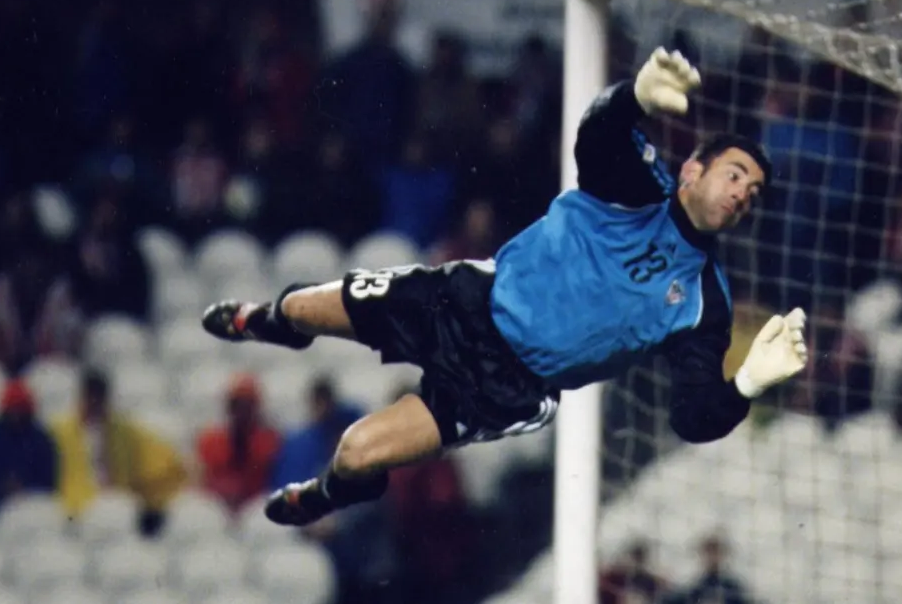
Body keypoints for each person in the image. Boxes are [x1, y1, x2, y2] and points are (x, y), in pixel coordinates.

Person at [202, 48, 809, 527]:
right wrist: (633, 97)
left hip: (506, 385)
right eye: (736, 175)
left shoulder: (705, 301)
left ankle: (333, 492)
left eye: (753, 193)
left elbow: (692, 416)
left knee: (357, 452)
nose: (742, 194)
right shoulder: (638, 188)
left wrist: (747, 384)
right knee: (301, 306)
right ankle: (274, 324)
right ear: (693, 171)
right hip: (466, 300)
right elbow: (597, 137)